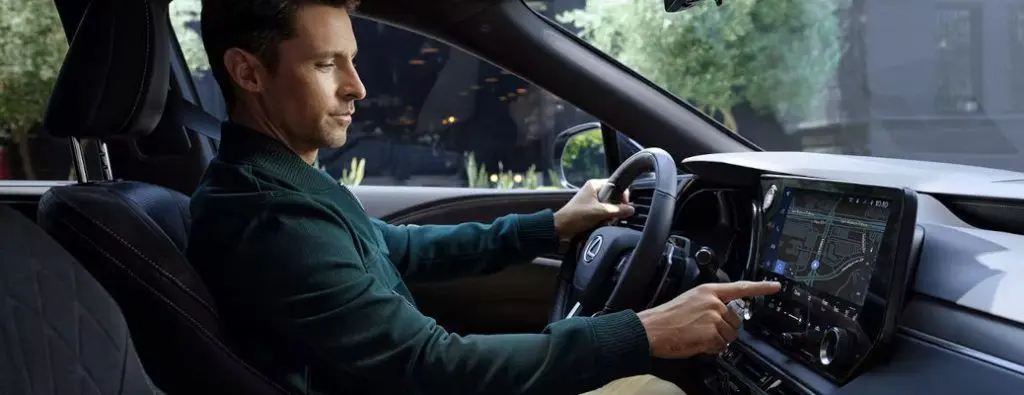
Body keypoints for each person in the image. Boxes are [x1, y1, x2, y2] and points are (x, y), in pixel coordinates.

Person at [186, 1, 782, 394]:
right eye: (325, 64)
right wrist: (642, 333)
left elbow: (397, 248)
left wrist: (550, 227)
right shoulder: (266, 216)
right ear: (249, 72)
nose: (357, 87)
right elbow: (431, 366)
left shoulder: (281, 184)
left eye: (354, 61)